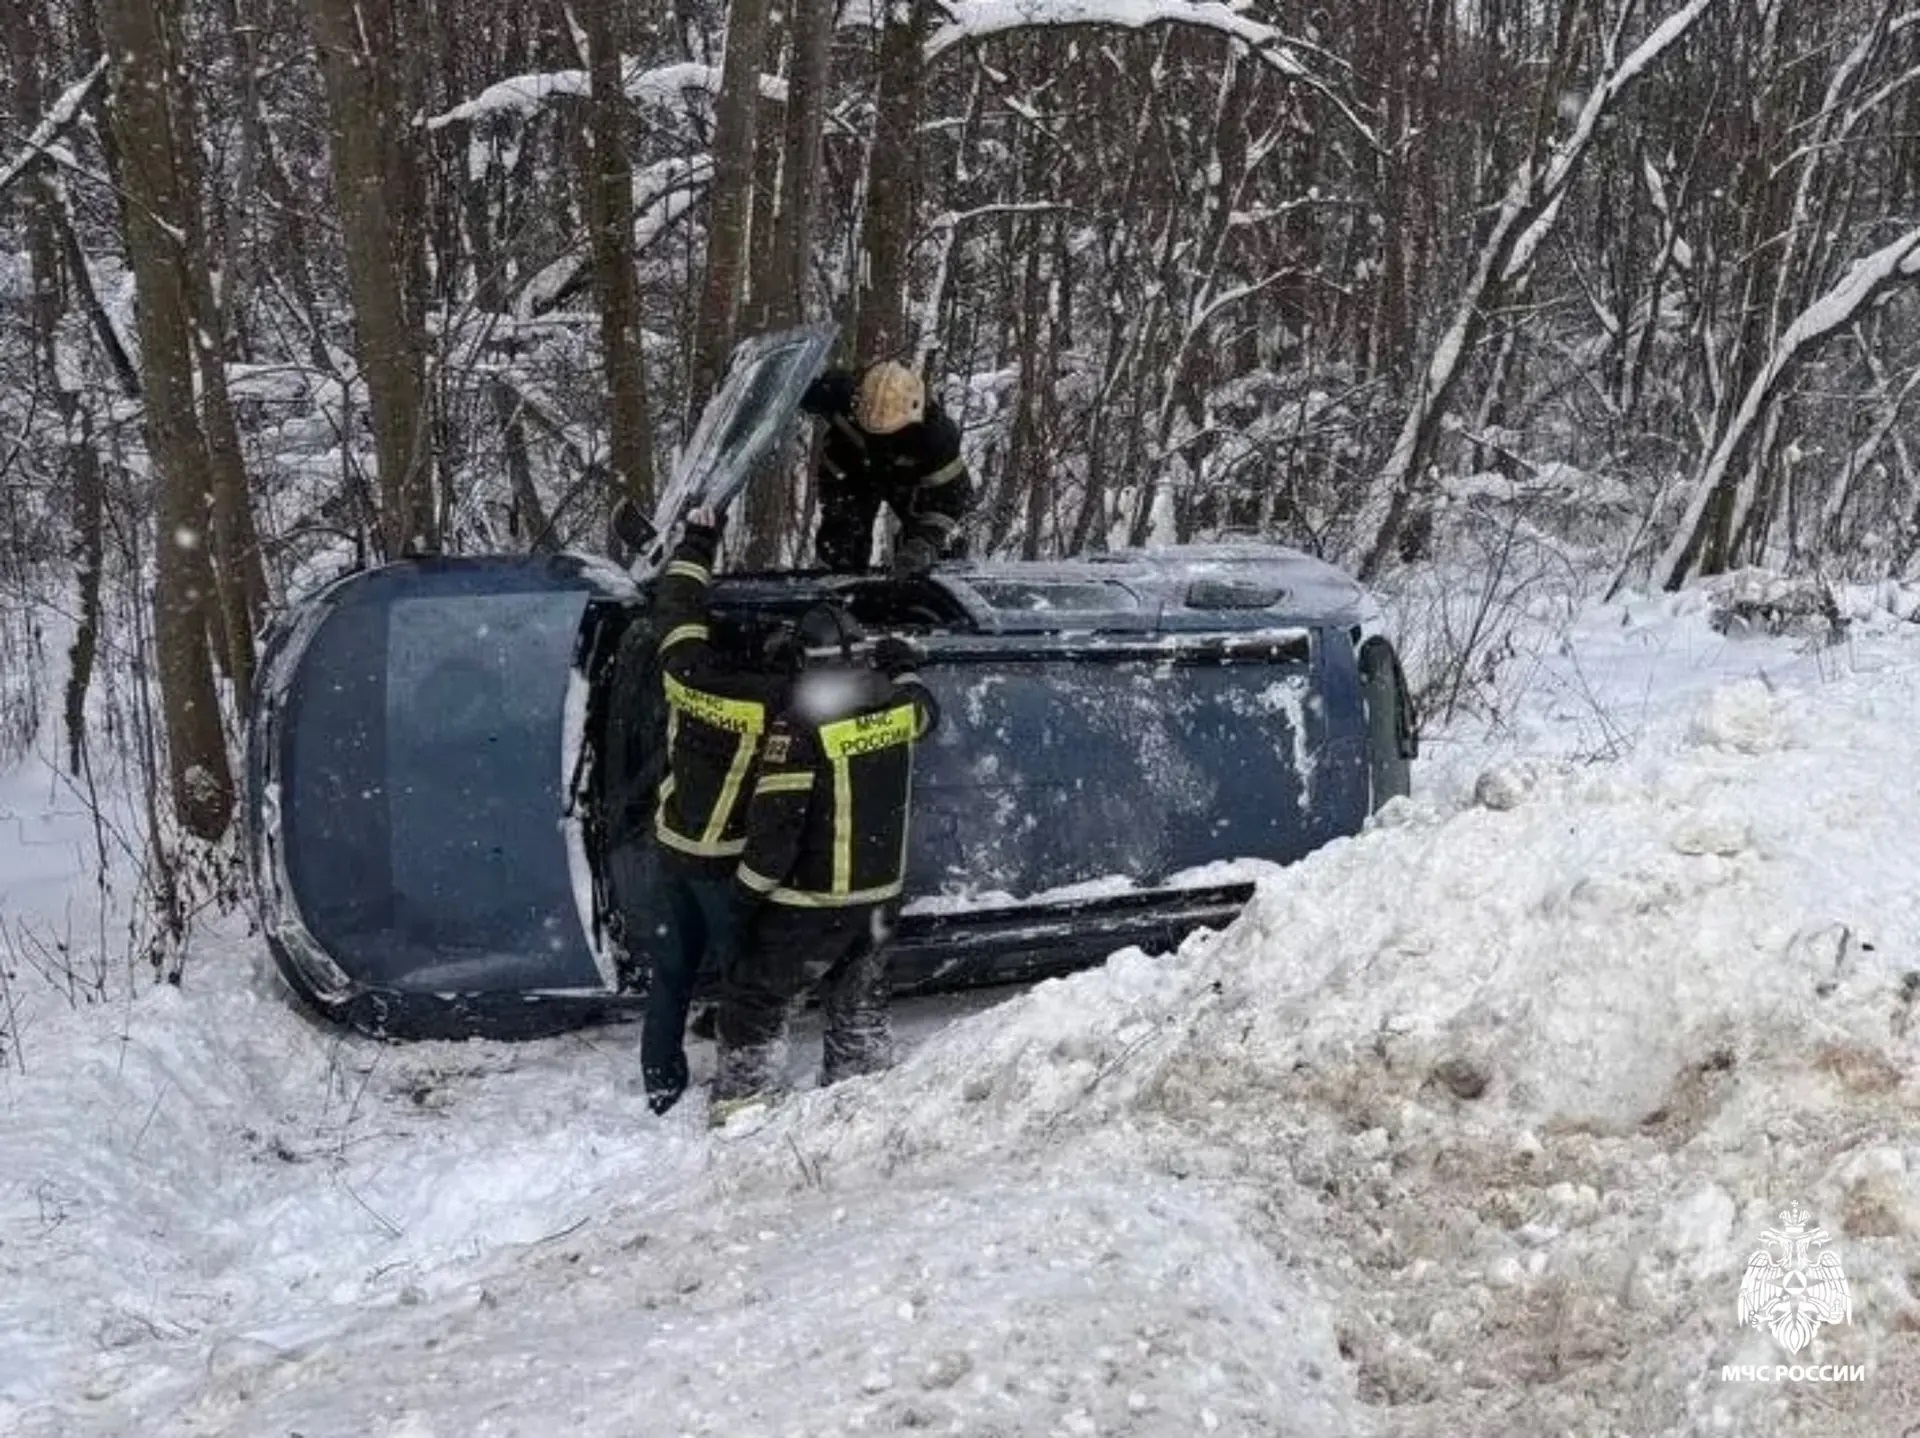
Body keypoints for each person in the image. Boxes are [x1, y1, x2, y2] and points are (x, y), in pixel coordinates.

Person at [708, 604, 940, 1121]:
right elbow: (927, 711)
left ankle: (745, 1100)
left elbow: (776, 833)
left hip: (812, 899)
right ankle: (858, 1085)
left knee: (755, 998)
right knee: (859, 997)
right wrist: (902, 666)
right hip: (880, 895)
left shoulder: (798, 727)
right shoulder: (899, 706)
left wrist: (744, 895)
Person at [636, 503, 790, 1116]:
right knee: (743, 974)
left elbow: (677, 609)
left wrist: (698, 542)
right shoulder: (775, 704)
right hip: (726, 864)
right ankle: (741, 1077)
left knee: (670, 973)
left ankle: (660, 1085)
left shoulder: (686, 676)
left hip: (675, 849)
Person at [800, 360, 973, 575]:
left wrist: (926, 541)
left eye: (892, 433)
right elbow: (799, 386)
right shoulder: (838, 398)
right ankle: (839, 587)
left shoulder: (936, 440)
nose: (882, 439)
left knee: (925, 564)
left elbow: (951, 501)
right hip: (852, 469)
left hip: (910, 485)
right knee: (841, 542)